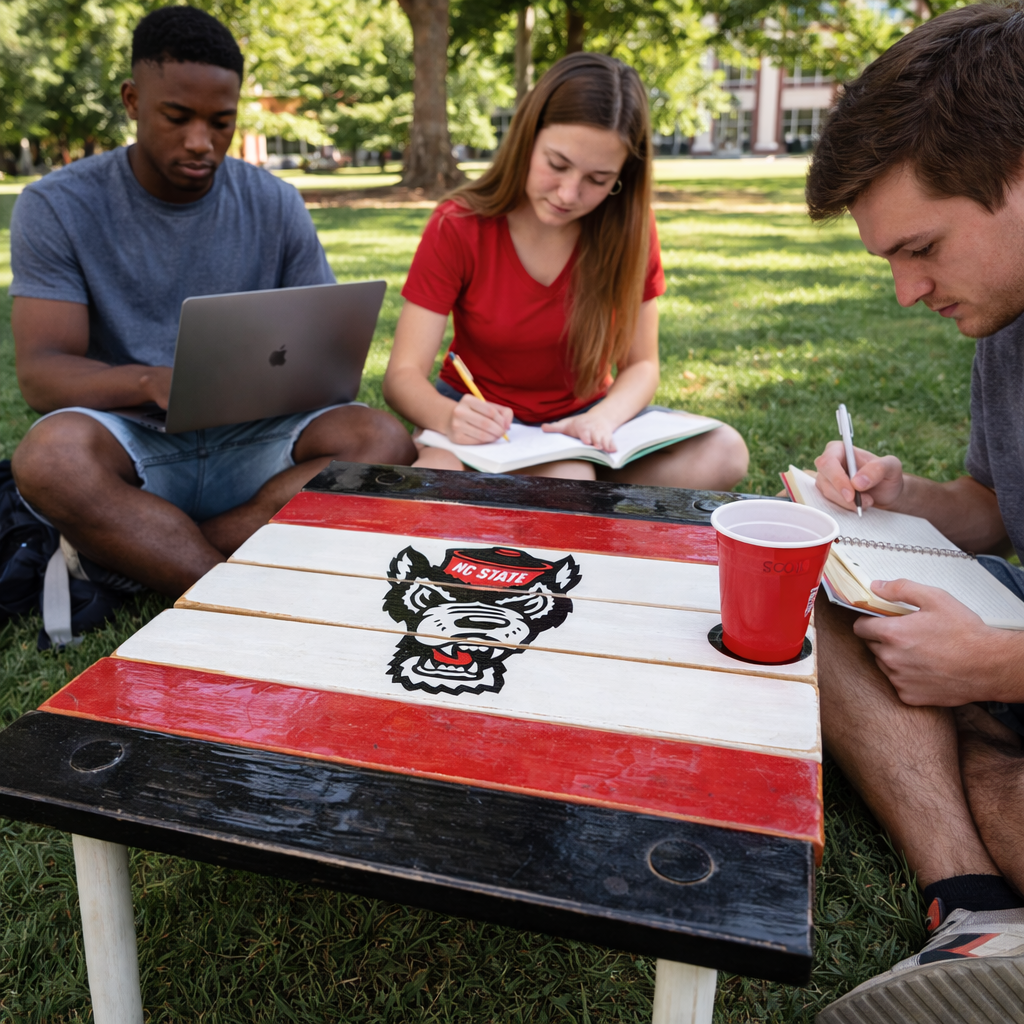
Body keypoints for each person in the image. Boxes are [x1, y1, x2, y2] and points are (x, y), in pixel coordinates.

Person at [8, 6, 415, 601]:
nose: (201, 142)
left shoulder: (275, 203)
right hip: (133, 439)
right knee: (49, 459)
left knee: (383, 441)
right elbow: (42, 375)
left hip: (255, 441)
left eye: (221, 122)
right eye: (177, 117)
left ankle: (151, 548)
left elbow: (326, 356)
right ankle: (226, 598)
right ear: (131, 101)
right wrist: (151, 381)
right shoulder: (57, 205)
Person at [804, 6, 1024, 1021]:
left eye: (922, 246)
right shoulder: (1003, 325)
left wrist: (994, 667)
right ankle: (979, 912)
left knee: (984, 749)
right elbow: (992, 506)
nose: (903, 291)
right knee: (819, 590)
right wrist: (902, 498)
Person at [382, 53, 749, 487]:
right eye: (557, 165)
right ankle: (566, 494)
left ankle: (560, 491)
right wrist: (450, 417)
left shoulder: (630, 230)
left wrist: (601, 419)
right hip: (479, 417)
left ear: (621, 178)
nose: (568, 193)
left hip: (585, 423)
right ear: (527, 139)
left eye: (597, 179)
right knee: (534, 478)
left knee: (724, 452)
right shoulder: (458, 224)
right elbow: (402, 377)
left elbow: (642, 364)